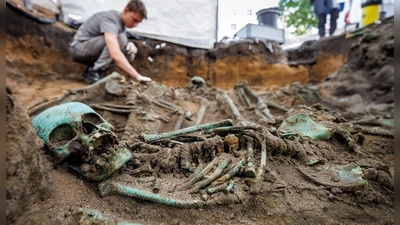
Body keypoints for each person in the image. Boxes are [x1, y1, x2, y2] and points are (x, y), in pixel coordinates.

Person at [69, 0, 152, 84]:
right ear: (126, 11)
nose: (135, 25)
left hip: (92, 51)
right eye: (134, 20)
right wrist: (137, 76)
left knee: (129, 55)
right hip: (79, 48)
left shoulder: (122, 25)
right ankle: (95, 71)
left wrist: (127, 44)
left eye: (138, 22)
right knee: (121, 39)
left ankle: (93, 69)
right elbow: (114, 53)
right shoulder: (111, 20)